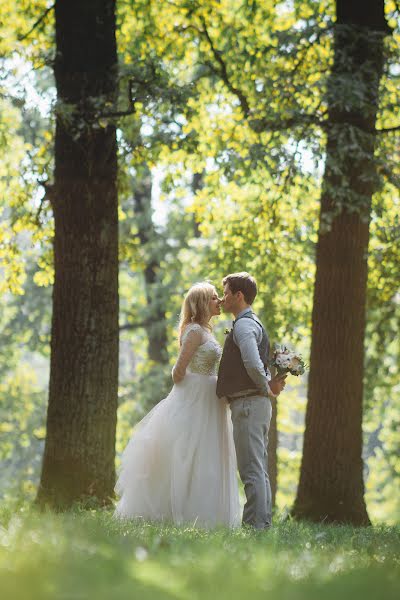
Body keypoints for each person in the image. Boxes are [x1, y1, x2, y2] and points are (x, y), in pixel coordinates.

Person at [114, 282, 240, 528]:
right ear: (202, 302)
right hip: (195, 398)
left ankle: (206, 515)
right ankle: (176, 512)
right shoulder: (194, 331)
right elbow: (178, 372)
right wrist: (199, 383)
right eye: (214, 298)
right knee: (187, 452)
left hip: (209, 399)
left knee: (207, 455)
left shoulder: (206, 331)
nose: (219, 302)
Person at [217, 272, 286, 530]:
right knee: (258, 468)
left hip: (248, 404)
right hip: (253, 404)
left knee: (251, 470)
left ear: (239, 295)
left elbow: (252, 363)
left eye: (226, 293)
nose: (223, 298)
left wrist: (266, 388)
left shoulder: (245, 325)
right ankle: (262, 524)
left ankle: (255, 527)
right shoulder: (250, 323)